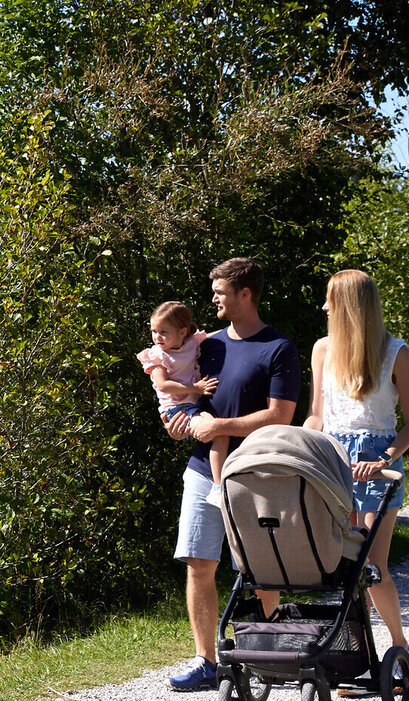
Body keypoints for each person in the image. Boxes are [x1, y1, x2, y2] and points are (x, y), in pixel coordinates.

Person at [163, 258, 301, 692]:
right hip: (204, 469)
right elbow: (190, 395)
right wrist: (179, 421)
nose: (214, 299)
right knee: (198, 564)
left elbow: (281, 416)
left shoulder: (279, 348)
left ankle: (272, 655)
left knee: (263, 567)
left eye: (221, 292)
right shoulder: (208, 346)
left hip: (258, 475)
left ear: (246, 294)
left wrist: (220, 426)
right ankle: (206, 661)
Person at [302, 269, 409, 662]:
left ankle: (398, 644)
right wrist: (301, 448)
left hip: (377, 463)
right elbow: (317, 416)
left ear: (349, 307)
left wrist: (384, 459)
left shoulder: (395, 352)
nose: (322, 308)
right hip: (333, 457)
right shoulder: (322, 349)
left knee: (371, 566)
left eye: (329, 301)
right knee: (341, 568)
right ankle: (358, 654)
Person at [139, 301, 227, 475]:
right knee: (218, 433)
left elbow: (217, 336)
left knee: (219, 434)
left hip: (193, 407)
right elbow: (163, 386)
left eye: (164, 332)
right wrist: (195, 388)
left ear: (182, 332)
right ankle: (219, 486)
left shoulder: (191, 343)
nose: (157, 337)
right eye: (154, 331)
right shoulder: (157, 355)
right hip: (175, 410)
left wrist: (237, 329)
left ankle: (219, 482)